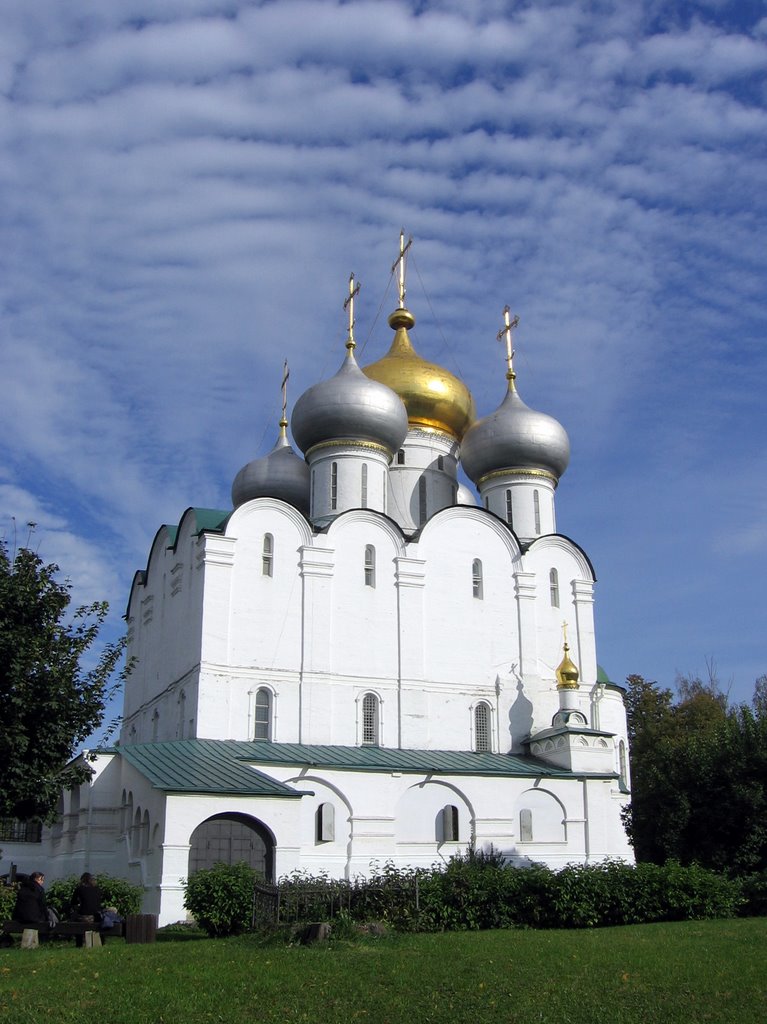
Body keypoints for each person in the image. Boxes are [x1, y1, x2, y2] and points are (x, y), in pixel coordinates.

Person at [71, 872, 103, 947]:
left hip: (84, 916)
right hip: (97, 916)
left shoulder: (79, 889)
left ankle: (79, 944)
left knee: (76, 920)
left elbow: (73, 902)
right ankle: (101, 942)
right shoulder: (97, 889)